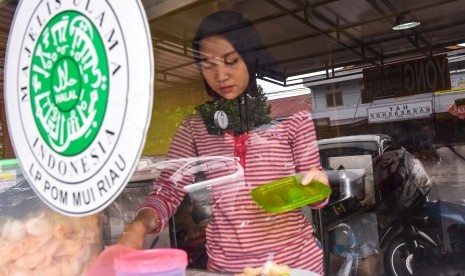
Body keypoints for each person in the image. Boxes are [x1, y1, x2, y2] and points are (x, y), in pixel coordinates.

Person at [118, 10, 329, 274]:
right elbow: (168, 190)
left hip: (294, 265)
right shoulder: (195, 126)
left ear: (251, 59)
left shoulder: (291, 115)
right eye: (208, 66)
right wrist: (138, 225)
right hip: (229, 269)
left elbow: (315, 191)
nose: (221, 76)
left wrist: (318, 187)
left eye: (231, 61)